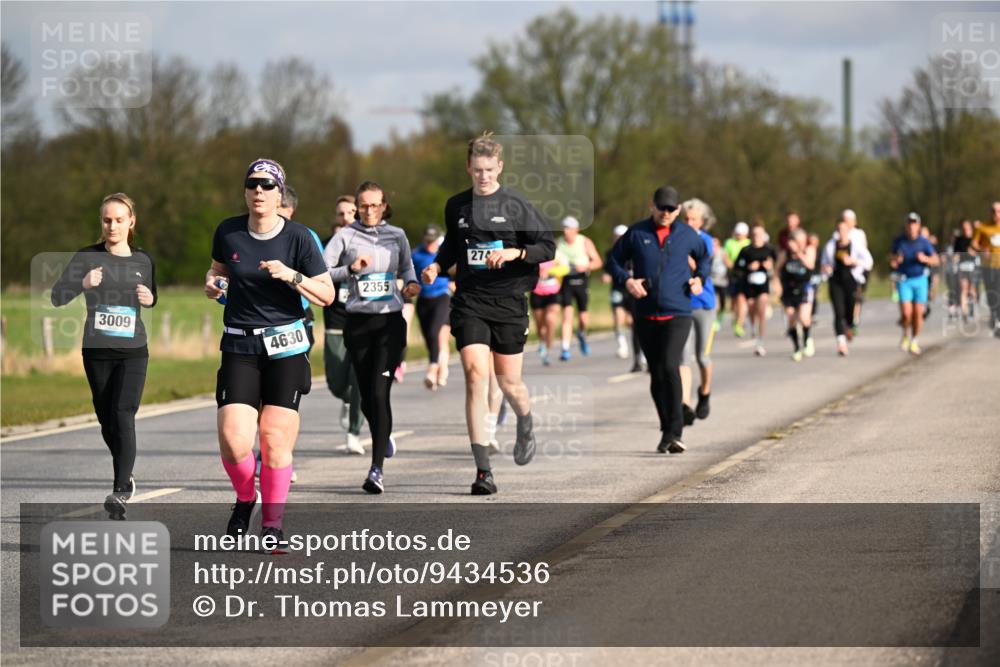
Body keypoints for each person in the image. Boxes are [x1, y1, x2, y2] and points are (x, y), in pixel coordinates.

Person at [205, 158, 334, 549]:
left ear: (280, 194)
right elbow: (216, 273)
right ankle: (246, 498)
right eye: (252, 185)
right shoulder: (228, 231)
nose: (259, 191)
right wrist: (213, 285)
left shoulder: (298, 238)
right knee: (233, 439)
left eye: (267, 185)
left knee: (274, 438)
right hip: (240, 344)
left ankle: (273, 525)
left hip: (286, 346)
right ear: (245, 192)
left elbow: (328, 295)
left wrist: (292, 276)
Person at [420, 133, 555, 495]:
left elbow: (547, 246)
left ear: (500, 168)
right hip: (471, 301)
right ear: (468, 167)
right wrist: (436, 266)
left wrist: (515, 255)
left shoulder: (515, 203)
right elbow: (453, 243)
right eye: (477, 170)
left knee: (510, 383)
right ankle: (483, 471)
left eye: (489, 170)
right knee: (476, 376)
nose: (482, 176)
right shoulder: (457, 205)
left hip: (510, 302)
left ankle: (525, 421)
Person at [51, 193, 157, 520]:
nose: (113, 226)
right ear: (102, 222)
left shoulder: (143, 260)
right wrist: (83, 282)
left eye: (119, 220)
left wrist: (150, 298)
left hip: (133, 351)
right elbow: (57, 297)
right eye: (107, 220)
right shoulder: (87, 257)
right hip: (96, 351)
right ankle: (126, 471)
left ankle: (121, 488)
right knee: (106, 419)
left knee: (123, 412)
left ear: (131, 222)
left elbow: (153, 297)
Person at [324, 181, 420, 494]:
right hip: (357, 324)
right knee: (366, 397)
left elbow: (408, 272)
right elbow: (321, 274)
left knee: (380, 394)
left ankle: (376, 469)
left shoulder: (398, 235)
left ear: (383, 206)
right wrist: (350, 269)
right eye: (363, 205)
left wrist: (410, 287)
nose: (368, 211)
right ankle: (383, 431)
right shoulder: (345, 236)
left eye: (374, 205)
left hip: (389, 324)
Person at [608, 185, 710, 454]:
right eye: (661, 207)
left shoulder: (687, 235)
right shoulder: (637, 233)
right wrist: (627, 281)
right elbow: (613, 260)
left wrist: (700, 278)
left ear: (678, 210)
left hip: (678, 312)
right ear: (651, 206)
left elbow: (704, 259)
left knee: (670, 365)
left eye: (671, 209)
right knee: (656, 372)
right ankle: (666, 428)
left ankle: (675, 431)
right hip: (645, 312)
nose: (665, 213)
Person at [323, 195, 365, 455]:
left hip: (363, 321)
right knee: (336, 383)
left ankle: (354, 433)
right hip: (336, 323)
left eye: (351, 212)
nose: (346, 217)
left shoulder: (370, 243)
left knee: (359, 379)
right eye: (341, 213)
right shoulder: (328, 247)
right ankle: (347, 400)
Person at [679, 198, 717, 424]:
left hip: (704, 303)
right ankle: (685, 404)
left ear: (702, 221)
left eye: (693, 219)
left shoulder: (705, 241)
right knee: (683, 357)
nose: (689, 222)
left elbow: (700, 266)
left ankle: (704, 393)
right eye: (686, 218)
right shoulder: (676, 238)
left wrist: (684, 255)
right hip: (682, 304)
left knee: (702, 356)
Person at [821, 218, 873, 356]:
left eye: (844, 230)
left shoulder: (855, 245)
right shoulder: (830, 245)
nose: (841, 232)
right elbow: (823, 262)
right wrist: (825, 268)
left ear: (848, 231)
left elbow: (868, 262)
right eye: (839, 230)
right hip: (835, 281)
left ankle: (849, 326)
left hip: (851, 280)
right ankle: (841, 343)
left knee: (850, 310)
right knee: (838, 312)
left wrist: (853, 261)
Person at [890, 212, 939, 355]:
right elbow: (892, 258)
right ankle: (905, 334)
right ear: (905, 225)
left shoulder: (924, 242)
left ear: (918, 226)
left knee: (918, 313)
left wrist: (925, 259)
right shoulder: (899, 241)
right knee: (906, 314)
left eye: (914, 223)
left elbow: (936, 259)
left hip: (920, 280)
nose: (911, 226)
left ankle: (915, 340)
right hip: (904, 279)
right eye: (909, 223)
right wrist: (895, 260)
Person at [411, 225, 453, 389]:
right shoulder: (416, 254)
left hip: (442, 297)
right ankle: (442, 370)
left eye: (432, 241)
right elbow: (410, 274)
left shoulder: (444, 252)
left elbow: (455, 269)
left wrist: (453, 283)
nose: (430, 244)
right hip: (424, 299)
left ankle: (433, 368)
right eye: (427, 241)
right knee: (432, 339)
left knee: (435, 333)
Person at [555, 216, 602, 360]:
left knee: (583, 318)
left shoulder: (585, 242)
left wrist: (586, 266)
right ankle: (565, 348)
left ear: (576, 229)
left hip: (582, 281)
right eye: (564, 227)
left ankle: (581, 333)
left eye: (569, 228)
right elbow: (551, 262)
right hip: (566, 281)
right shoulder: (558, 243)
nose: (566, 230)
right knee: (567, 315)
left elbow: (598, 262)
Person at [735, 223, 777, 357]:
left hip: (763, 284)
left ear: (763, 235)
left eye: (759, 234)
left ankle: (760, 342)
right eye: (753, 234)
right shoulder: (746, 250)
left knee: (762, 310)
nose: (756, 237)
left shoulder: (769, 249)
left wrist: (770, 267)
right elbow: (737, 267)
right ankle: (753, 326)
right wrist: (748, 266)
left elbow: (779, 265)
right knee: (752, 308)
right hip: (749, 284)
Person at [779, 228, 817, 361]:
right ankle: (796, 348)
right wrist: (777, 285)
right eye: (797, 241)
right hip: (789, 289)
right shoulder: (785, 254)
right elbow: (777, 269)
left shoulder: (809, 250)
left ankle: (807, 340)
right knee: (791, 319)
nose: (800, 243)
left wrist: (799, 253)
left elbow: (810, 265)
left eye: (802, 241)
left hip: (804, 288)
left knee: (804, 318)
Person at [530, 256, 568, 366]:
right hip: (537, 293)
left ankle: (548, 350)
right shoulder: (534, 253)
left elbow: (565, 269)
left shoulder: (557, 255)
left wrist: (550, 270)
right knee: (540, 327)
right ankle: (542, 342)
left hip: (553, 293)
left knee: (550, 320)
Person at [971, 201, 1000, 336]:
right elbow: (974, 243)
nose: (996, 214)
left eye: (998, 211)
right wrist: (983, 249)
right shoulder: (983, 227)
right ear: (990, 213)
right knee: (991, 293)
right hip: (988, 266)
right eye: (993, 211)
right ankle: (993, 313)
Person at [723, 221, 751, 337]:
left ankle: (739, 324)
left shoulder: (749, 243)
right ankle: (736, 319)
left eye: (741, 234)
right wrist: (732, 266)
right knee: (734, 302)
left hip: (746, 275)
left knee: (742, 300)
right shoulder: (729, 242)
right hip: (733, 274)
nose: (739, 236)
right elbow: (726, 257)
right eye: (737, 233)